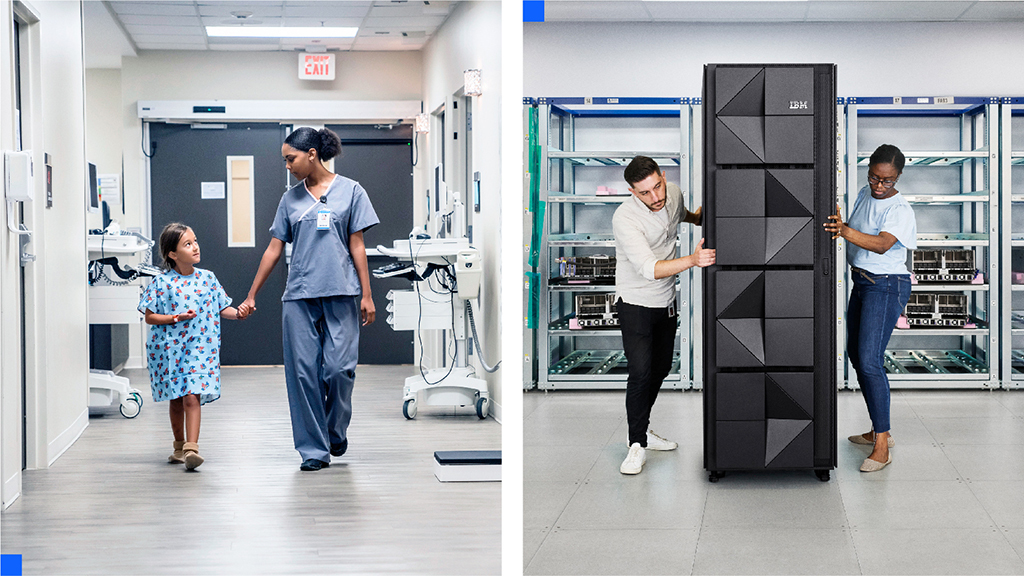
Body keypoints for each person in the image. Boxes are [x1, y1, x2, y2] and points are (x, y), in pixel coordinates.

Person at [236, 127, 378, 472]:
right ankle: (314, 450)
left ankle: (334, 430)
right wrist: (252, 293)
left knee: (339, 370)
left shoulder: (351, 192)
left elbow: (357, 245)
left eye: (291, 158)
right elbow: (274, 249)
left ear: (312, 154)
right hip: (299, 295)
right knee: (303, 375)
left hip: (342, 291)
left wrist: (367, 293)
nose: (287, 165)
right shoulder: (290, 200)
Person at [614, 155, 715, 475]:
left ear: (663, 176)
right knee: (641, 372)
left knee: (659, 370)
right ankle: (635, 445)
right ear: (632, 191)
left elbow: (677, 214)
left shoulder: (672, 193)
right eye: (645, 193)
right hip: (635, 304)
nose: (655, 197)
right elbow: (649, 269)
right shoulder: (624, 218)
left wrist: (698, 219)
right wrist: (693, 260)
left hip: (666, 303)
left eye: (657, 186)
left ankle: (643, 431)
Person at [824, 143, 916, 473]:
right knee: (856, 354)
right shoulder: (866, 193)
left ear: (898, 177)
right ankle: (878, 428)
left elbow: (881, 244)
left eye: (887, 181)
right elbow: (854, 225)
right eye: (874, 178)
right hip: (862, 282)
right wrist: (839, 219)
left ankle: (883, 443)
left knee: (870, 360)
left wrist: (844, 231)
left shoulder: (900, 209)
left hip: (886, 284)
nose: (879, 186)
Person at [139, 222, 242, 471]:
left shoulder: (208, 278)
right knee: (176, 399)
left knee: (191, 397)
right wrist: (177, 317)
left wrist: (239, 313)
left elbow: (222, 307)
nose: (195, 247)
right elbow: (150, 316)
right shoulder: (163, 283)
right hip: (170, 351)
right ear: (172, 254)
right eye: (187, 244)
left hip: (200, 349)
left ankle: (191, 449)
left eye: (195, 241)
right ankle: (178, 446)